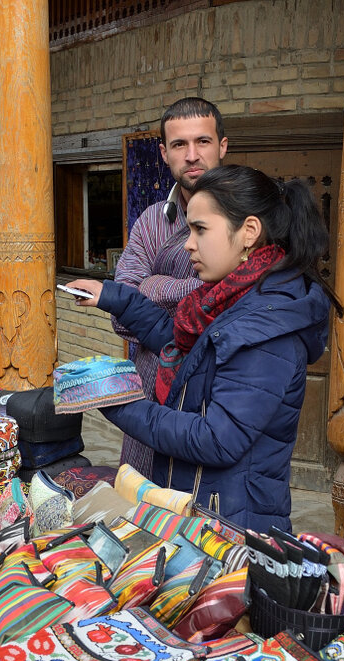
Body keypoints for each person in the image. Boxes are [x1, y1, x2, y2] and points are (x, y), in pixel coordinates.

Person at [68, 164, 335, 533]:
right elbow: (183, 348)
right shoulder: (228, 297)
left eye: (200, 230)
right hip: (198, 504)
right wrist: (114, 297)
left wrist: (117, 401)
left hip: (229, 525)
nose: (188, 243)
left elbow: (216, 439)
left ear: (249, 232)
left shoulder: (267, 326)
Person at [113, 97, 228, 475]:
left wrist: (155, 286)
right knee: (139, 506)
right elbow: (121, 315)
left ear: (222, 146)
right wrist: (191, 289)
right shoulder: (151, 222)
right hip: (149, 385)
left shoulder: (248, 219)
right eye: (180, 144)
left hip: (216, 388)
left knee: (202, 512)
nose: (192, 155)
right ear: (164, 153)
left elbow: (227, 305)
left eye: (203, 142)